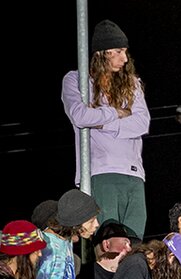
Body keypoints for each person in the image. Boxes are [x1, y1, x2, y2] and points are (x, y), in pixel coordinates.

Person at [61, 20, 150, 240]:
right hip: (102, 172)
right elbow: (80, 116)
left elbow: (142, 123)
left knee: (135, 244)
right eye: (118, 51)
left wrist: (101, 121)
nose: (125, 58)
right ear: (101, 53)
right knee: (109, 241)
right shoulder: (77, 80)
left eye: (126, 52)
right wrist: (117, 113)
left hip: (135, 174)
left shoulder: (132, 83)